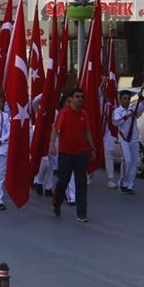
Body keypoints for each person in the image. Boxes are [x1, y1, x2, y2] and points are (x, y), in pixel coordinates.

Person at [49, 87, 96, 222]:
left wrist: (92, 149)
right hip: (66, 153)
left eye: (82, 97)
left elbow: (87, 132)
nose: (80, 99)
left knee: (81, 183)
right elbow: (55, 130)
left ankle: (81, 213)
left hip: (81, 153)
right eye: (77, 97)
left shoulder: (84, 114)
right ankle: (56, 202)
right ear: (71, 99)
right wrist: (52, 144)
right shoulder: (64, 113)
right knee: (63, 181)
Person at [112, 90, 144, 194]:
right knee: (127, 161)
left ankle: (129, 185)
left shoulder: (133, 108)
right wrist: (127, 115)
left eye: (128, 99)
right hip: (124, 139)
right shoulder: (117, 111)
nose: (126, 101)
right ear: (120, 99)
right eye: (124, 98)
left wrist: (141, 98)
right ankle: (122, 183)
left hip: (134, 139)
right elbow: (115, 122)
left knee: (134, 163)